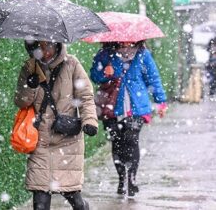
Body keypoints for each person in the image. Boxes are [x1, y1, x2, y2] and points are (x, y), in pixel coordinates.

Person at [14, 40, 98, 210]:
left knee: (75, 200)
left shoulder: (72, 64)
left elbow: (85, 97)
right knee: (40, 202)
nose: (45, 51)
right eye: (40, 46)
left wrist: (90, 121)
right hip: (40, 141)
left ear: (57, 45)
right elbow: (21, 102)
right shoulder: (30, 67)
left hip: (67, 140)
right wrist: (30, 86)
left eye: (49, 45)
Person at [90, 41, 167, 198]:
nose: (126, 44)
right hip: (112, 106)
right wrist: (106, 73)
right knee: (117, 142)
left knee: (131, 140)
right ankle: (121, 178)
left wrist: (161, 101)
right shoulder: (105, 54)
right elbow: (94, 76)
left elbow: (153, 78)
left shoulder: (143, 55)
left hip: (136, 106)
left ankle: (132, 177)